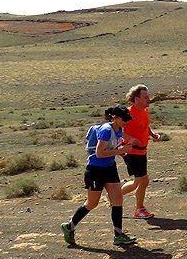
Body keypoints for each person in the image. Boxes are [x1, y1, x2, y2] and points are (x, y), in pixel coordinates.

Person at [60, 106, 138, 247]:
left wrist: (122, 152)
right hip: (96, 170)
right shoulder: (106, 130)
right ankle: (69, 226)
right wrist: (122, 150)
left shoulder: (118, 129)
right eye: (124, 119)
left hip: (110, 168)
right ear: (115, 117)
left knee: (117, 199)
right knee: (92, 203)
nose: (126, 121)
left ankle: (118, 235)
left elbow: (111, 148)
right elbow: (99, 153)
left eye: (128, 119)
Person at [120, 84, 161, 219]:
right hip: (131, 151)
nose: (148, 100)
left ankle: (115, 197)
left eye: (148, 97)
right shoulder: (127, 113)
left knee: (138, 182)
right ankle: (139, 209)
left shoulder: (144, 111)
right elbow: (116, 130)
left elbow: (145, 126)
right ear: (136, 99)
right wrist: (130, 138)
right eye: (145, 97)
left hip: (142, 150)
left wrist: (153, 134)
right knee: (143, 180)